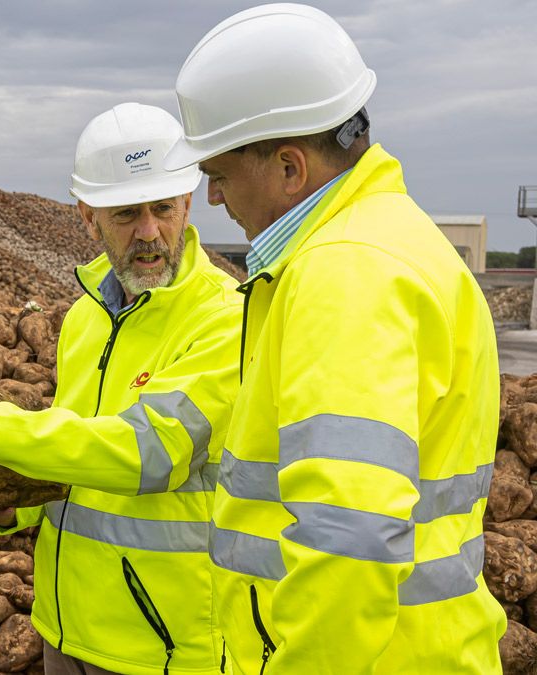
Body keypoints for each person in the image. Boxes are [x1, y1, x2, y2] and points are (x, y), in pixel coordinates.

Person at [161, 4, 507, 673]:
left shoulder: (345, 273)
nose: (211, 199)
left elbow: (349, 540)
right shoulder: (400, 242)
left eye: (220, 174)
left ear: (290, 168)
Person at [0, 103, 243, 674]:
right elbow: (71, 461)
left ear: (188, 204)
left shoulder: (226, 321)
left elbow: (147, 453)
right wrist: (8, 505)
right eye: (126, 214)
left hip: (165, 646)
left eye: (163, 209)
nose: (149, 232)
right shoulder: (85, 317)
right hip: (65, 628)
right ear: (87, 217)